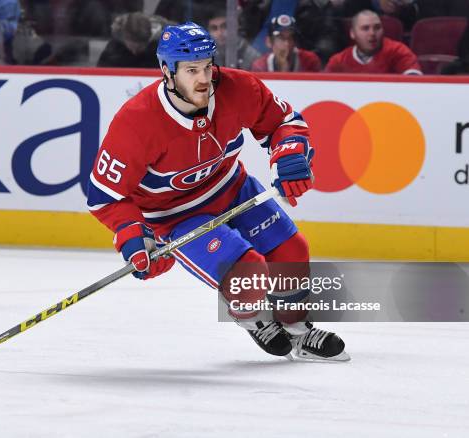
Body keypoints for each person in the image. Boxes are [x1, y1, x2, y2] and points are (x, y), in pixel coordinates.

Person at [87, 22, 349, 361]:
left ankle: (298, 329)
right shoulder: (136, 123)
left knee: (292, 250)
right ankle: (251, 318)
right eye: (192, 69)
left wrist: (290, 153)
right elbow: (104, 195)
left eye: (208, 66)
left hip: (233, 189)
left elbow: (284, 122)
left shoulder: (237, 88)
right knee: (249, 274)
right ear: (167, 72)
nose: (204, 78)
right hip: (175, 216)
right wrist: (134, 234)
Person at [325, 9, 422, 74]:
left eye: (377, 27)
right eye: (365, 28)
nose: (372, 33)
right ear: (352, 33)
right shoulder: (338, 61)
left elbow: (415, 82)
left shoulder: (398, 51)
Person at [251, 14, 321, 72]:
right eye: (281, 38)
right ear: (269, 42)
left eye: (290, 37)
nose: (287, 44)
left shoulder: (309, 60)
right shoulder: (260, 66)